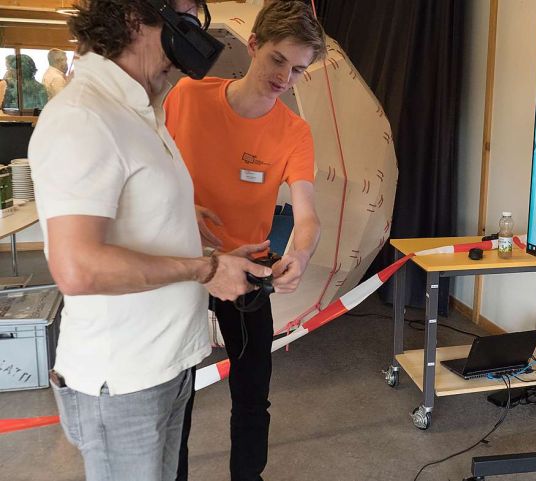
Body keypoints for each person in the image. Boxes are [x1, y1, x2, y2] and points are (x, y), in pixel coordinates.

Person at [28, 1, 272, 480]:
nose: (191, 40)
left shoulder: (141, 111)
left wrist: (205, 247)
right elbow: (78, 268)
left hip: (166, 366)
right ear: (133, 17)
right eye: (184, 19)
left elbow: (135, 218)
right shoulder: (85, 116)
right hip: (124, 381)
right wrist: (207, 270)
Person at [164, 1, 324, 479]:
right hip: (186, 264)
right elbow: (149, 173)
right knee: (175, 394)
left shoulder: (294, 132)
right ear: (254, 45)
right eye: (278, 60)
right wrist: (180, 209)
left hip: (250, 268)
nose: (284, 78)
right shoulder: (186, 96)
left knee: (253, 392)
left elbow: (308, 215)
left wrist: (299, 255)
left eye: (298, 70)